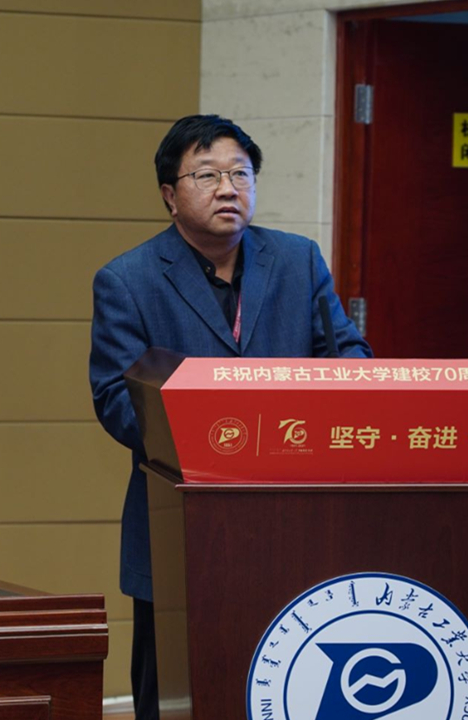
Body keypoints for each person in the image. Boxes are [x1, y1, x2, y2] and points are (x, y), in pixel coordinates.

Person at [89, 114, 371, 718]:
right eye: (207, 175)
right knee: (176, 699)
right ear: (170, 195)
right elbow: (116, 401)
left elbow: (348, 356)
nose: (227, 188)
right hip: (179, 526)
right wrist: (215, 433)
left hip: (293, 520)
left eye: (241, 174)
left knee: (282, 688)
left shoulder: (297, 260)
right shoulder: (128, 280)